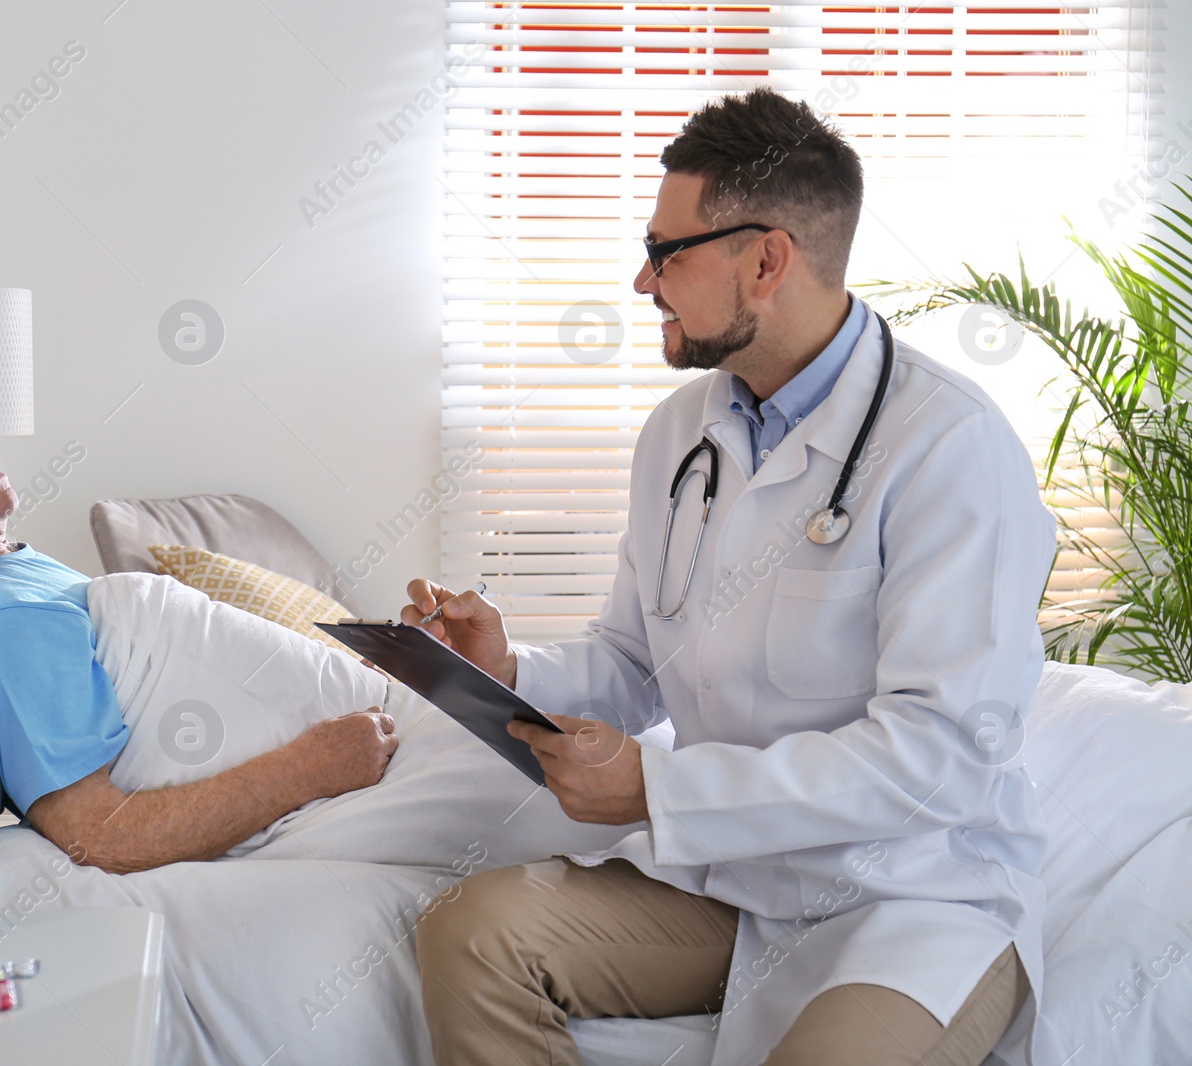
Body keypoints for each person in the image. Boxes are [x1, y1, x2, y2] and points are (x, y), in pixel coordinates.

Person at [405, 88, 1057, 1066]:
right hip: (736, 878)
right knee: (471, 930)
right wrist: (505, 666)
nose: (641, 280)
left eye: (666, 252)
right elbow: (632, 658)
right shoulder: (681, 436)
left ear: (766, 259)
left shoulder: (951, 447)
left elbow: (939, 757)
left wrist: (661, 788)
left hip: (913, 895)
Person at [0, 362, 401, 873]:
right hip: (379, 770)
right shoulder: (7, 613)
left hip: (387, 723)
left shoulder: (15, 575)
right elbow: (101, 833)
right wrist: (310, 767)